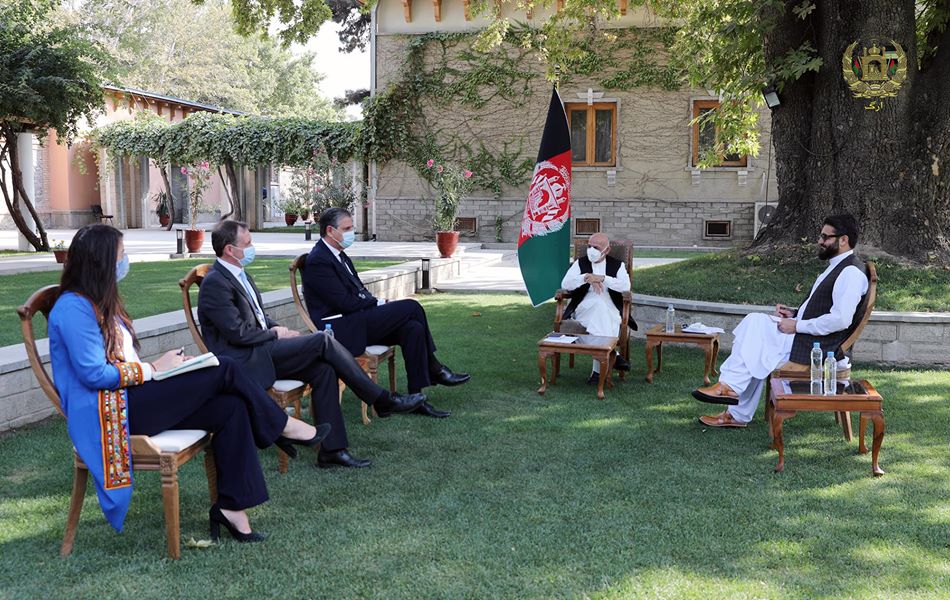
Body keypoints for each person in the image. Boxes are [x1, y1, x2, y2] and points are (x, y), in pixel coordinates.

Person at [48, 224, 327, 542]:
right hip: (112, 414)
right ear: (100, 262)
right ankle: (283, 426)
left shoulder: (99, 302)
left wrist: (167, 367)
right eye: (121, 255)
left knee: (230, 406)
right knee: (225, 366)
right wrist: (154, 368)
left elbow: (122, 361)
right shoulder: (73, 308)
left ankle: (231, 508)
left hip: (133, 398)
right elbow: (94, 375)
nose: (124, 262)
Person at [197, 220, 425, 469]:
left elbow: (258, 317)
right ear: (230, 250)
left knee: (323, 370)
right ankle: (380, 399)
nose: (252, 247)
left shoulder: (240, 274)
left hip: (263, 349)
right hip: (246, 360)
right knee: (322, 340)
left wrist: (278, 329)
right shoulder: (215, 283)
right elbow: (238, 333)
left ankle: (332, 451)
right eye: (248, 243)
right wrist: (275, 334)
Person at [694, 214, 870, 428]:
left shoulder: (850, 273)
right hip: (808, 338)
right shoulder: (838, 267)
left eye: (825, 237)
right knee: (754, 329)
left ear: (843, 240)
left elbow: (840, 320)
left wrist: (797, 325)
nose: (820, 241)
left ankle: (731, 396)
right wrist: (794, 314)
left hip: (819, 349)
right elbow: (824, 309)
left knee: (755, 334)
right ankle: (731, 395)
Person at [300, 207, 470, 418]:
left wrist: (378, 303)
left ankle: (416, 397)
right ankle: (435, 368)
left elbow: (358, 291)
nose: (352, 232)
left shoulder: (339, 255)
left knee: (412, 328)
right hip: (339, 328)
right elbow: (343, 302)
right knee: (411, 307)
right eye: (347, 228)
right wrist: (378, 304)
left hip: (355, 318)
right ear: (330, 231)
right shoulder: (319, 260)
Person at [560, 232, 633, 384]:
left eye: (596, 247)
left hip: (611, 307)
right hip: (585, 306)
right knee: (599, 307)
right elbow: (566, 284)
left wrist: (603, 279)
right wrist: (585, 277)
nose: (591, 250)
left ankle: (597, 373)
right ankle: (612, 355)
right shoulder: (580, 263)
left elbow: (625, 286)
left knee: (605, 314)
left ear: (607, 250)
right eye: (589, 246)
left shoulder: (617, 265)